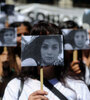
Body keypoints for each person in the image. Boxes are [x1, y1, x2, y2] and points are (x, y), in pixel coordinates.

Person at [3, 21, 90, 100]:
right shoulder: (15, 86)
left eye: (54, 47)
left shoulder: (78, 86)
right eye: (44, 46)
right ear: (34, 49)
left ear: (60, 50)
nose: (49, 52)